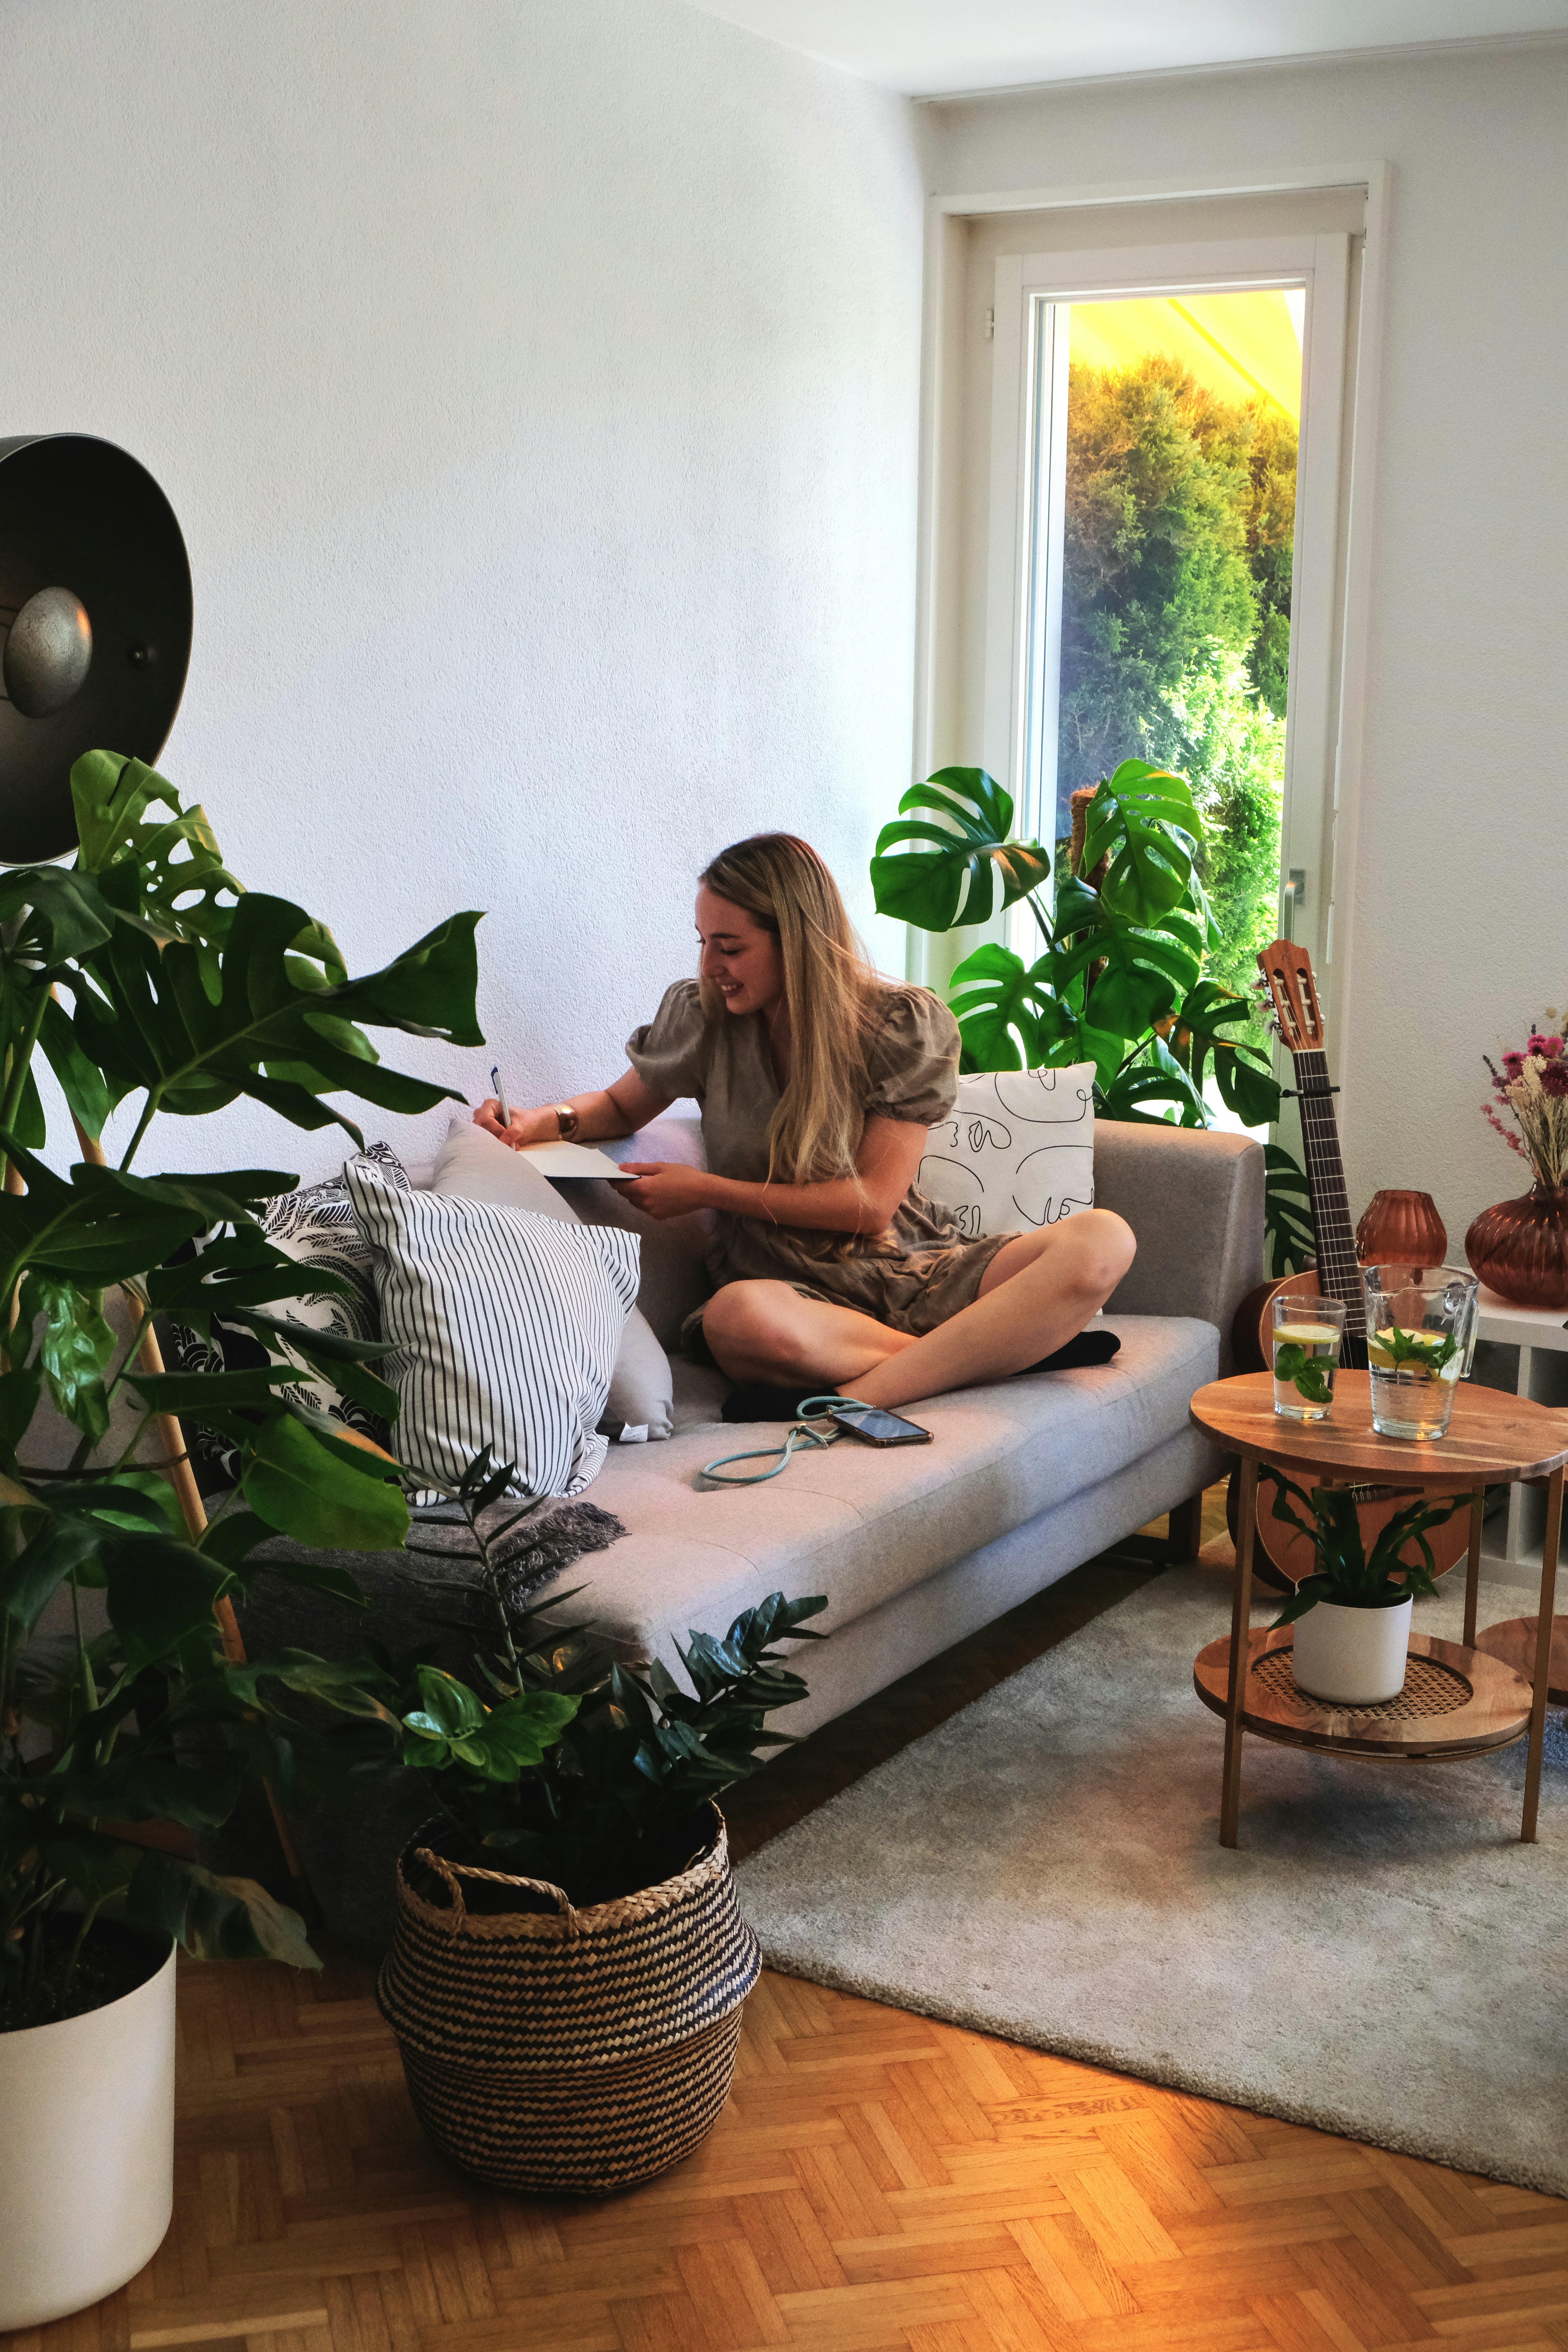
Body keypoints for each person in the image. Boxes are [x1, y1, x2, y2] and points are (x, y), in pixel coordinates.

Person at [474, 833, 1134, 1412]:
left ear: (795, 939)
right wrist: (543, 1120)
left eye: (729, 947)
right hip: (788, 1294)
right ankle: (985, 1355)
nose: (710, 967)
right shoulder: (704, 1017)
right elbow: (620, 1108)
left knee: (1104, 1240)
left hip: (913, 1270)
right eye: (704, 943)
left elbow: (873, 1206)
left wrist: (705, 1191)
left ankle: (859, 1396)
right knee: (737, 1319)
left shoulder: (901, 1024)